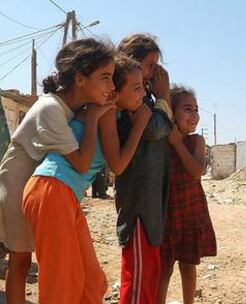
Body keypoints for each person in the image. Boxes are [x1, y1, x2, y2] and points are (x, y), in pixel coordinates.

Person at [22, 54, 151, 304]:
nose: (142, 94)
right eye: (135, 88)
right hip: (51, 189)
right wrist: (140, 126)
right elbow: (118, 165)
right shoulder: (105, 113)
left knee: (92, 281)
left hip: (63, 193)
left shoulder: (107, 112)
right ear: (116, 91)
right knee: (61, 287)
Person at [0, 38, 115, 304]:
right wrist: (95, 118)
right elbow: (81, 163)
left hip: (35, 182)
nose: (111, 86)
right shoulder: (51, 109)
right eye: (105, 77)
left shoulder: (70, 108)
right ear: (80, 78)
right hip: (18, 183)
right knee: (20, 260)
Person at [115, 33, 173, 304]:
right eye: (151, 65)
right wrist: (164, 97)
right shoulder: (133, 98)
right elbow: (155, 128)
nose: (155, 72)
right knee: (137, 281)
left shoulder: (144, 97)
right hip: (138, 206)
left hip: (150, 205)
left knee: (148, 276)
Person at [158, 85, 217, 304]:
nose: (194, 115)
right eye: (187, 109)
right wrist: (170, 141)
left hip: (191, 212)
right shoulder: (160, 141)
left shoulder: (196, 142)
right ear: (172, 112)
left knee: (188, 266)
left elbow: (196, 172)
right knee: (164, 270)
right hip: (168, 214)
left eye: (196, 109)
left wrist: (177, 143)